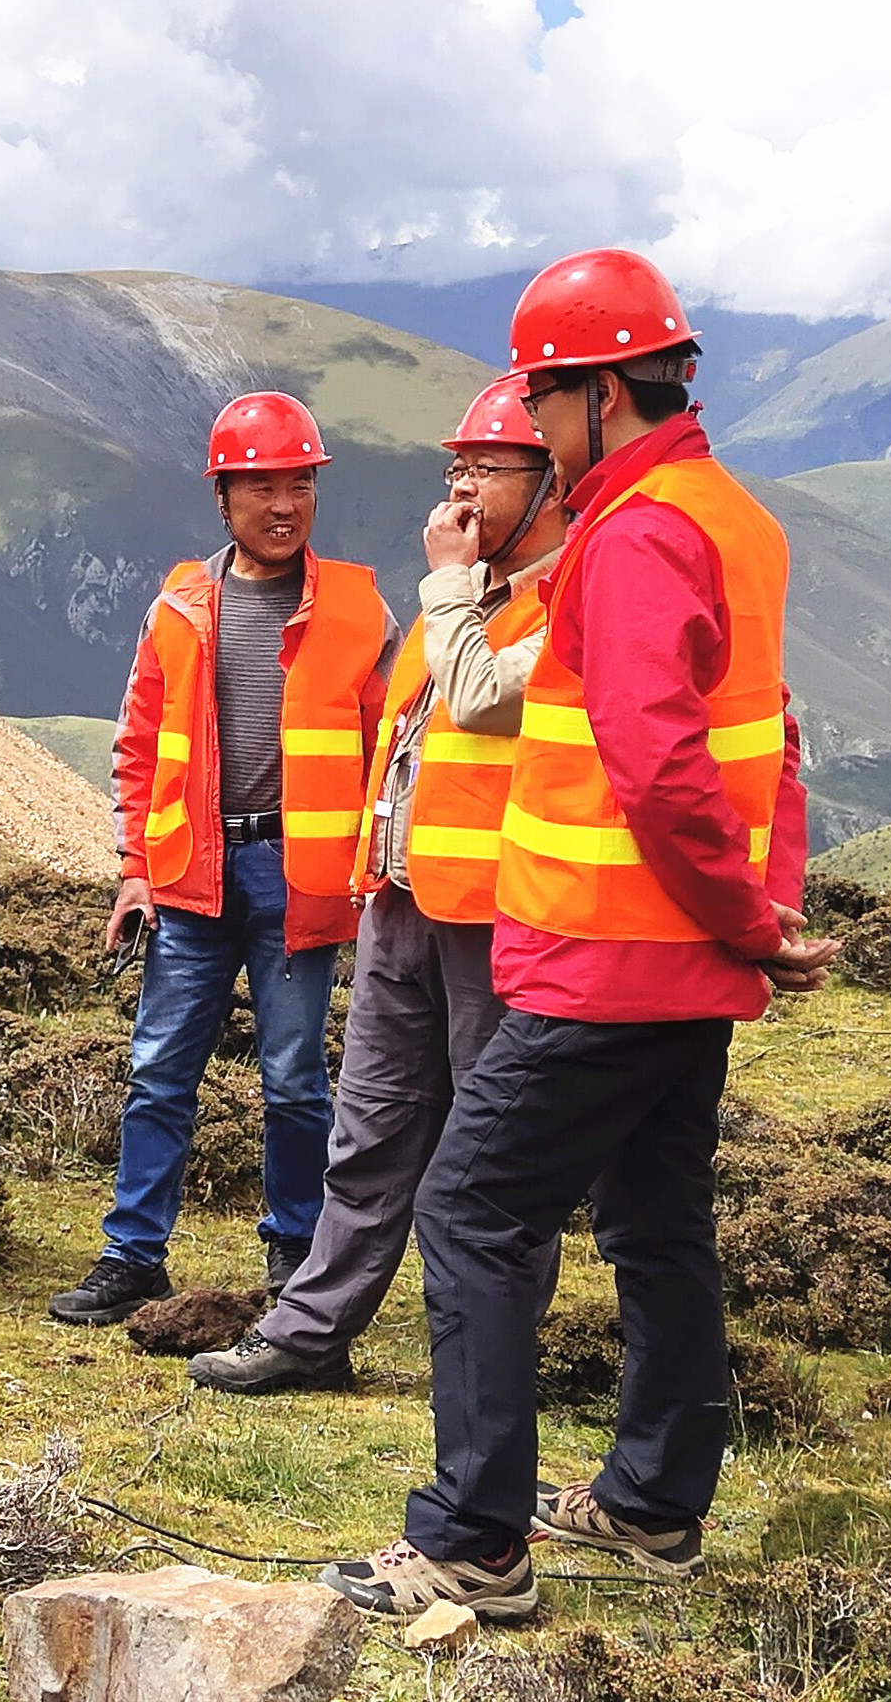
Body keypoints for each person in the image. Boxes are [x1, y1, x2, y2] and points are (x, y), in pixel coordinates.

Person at [322, 251, 839, 1621]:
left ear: (605, 394)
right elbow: (769, 738)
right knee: (659, 1221)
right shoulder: (734, 518)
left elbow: (661, 768)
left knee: (470, 1209)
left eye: (547, 402)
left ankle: (474, 1543)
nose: (540, 431)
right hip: (684, 964)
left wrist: (745, 918)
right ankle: (656, 1504)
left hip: (608, 958)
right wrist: (762, 914)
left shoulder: (636, 533)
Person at [191, 376, 568, 1395]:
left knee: (497, 1153)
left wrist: (448, 586)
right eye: (458, 469)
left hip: (499, 913)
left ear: (553, 482)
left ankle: (490, 1356)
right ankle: (311, 1333)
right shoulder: (462, 593)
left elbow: (483, 705)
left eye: (486, 469)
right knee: (368, 1131)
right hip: (404, 901)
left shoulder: (565, 600)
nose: (460, 491)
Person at [50, 393, 395, 1325]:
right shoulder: (178, 606)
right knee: (159, 1069)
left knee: (295, 1078)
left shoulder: (359, 610)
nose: (283, 506)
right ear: (223, 497)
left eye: (300, 485)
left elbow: (390, 755)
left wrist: (375, 879)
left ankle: (296, 1259)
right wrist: (134, 868)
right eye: (261, 488)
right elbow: (138, 744)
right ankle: (134, 1256)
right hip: (190, 876)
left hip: (299, 875)